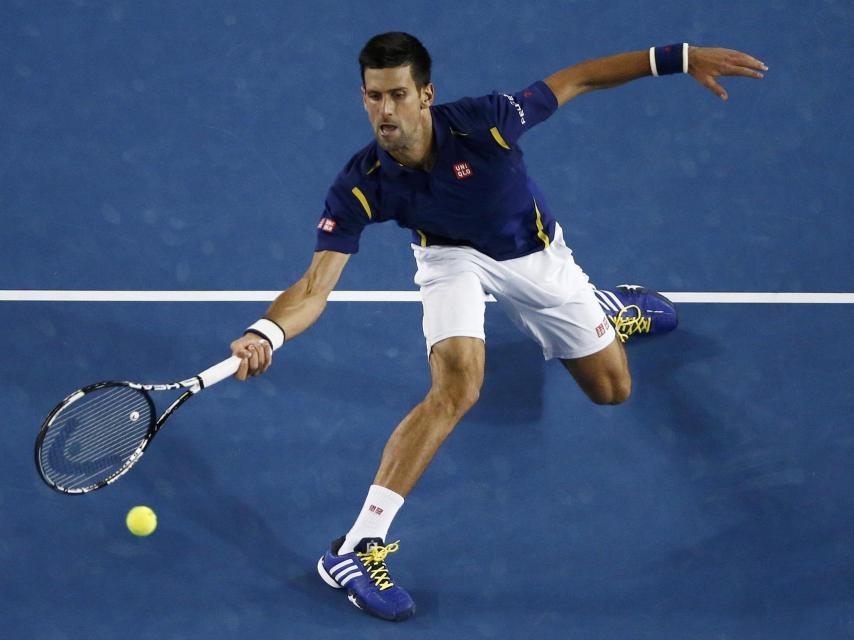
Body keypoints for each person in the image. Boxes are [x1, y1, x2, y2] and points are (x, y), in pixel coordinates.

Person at [229, 33, 766, 621]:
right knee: (456, 388)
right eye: (374, 96)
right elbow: (312, 288)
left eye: (399, 95)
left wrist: (679, 59)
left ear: (426, 95)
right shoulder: (361, 182)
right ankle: (355, 549)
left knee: (613, 390)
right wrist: (267, 333)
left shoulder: (485, 122)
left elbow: (578, 77)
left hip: (532, 254)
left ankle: (600, 310)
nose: (386, 110)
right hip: (448, 256)